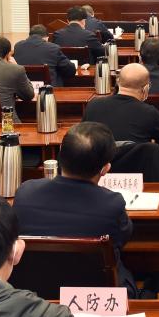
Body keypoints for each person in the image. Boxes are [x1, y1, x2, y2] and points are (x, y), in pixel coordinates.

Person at [15, 122, 143, 297]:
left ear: (61, 154)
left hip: (35, 295)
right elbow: (122, 238)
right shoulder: (112, 204)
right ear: (105, 169)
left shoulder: (25, 192)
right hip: (95, 297)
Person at [82, 63, 159, 178]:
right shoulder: (149, 112)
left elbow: (82, 139)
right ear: (146, 88)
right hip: (137, 179)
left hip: (97, 177)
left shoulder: (93, 105)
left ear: (118, 81)